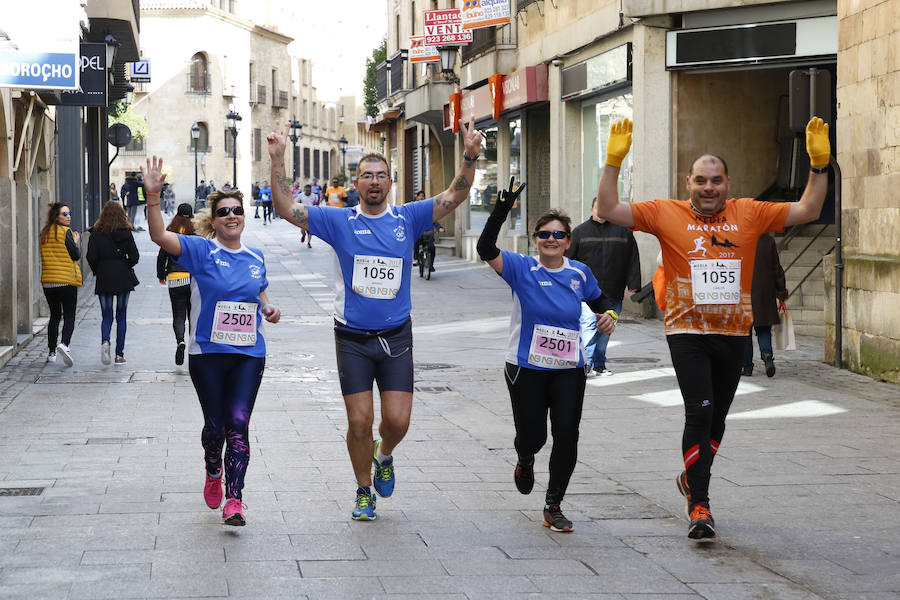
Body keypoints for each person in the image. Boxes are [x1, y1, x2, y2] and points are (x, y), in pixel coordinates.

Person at [595, 116, 831, 539]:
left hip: (734, 333)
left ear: (727, 182)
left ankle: (691, 476)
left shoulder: (751, 213)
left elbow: (809, 210)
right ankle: (699, 504)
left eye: (716, 180)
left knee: (717, 419)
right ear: (688, 183)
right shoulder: (666, 213)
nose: (708, 188)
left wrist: (817, 166)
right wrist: (614, 161)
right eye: (701, 180)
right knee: (698, 411)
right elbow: (609, 209)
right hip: (687, 333)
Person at [268, 116, 484, 521]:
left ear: (390, 183)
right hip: (352, 337)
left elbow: (454, 196)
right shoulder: (338, 220)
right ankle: (363, 488)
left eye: (380, 175)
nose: (373, 181)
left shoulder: (408, 218)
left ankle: (385, 456)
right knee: (360, 420)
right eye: (366, 175)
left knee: (397, 422)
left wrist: (470, 156)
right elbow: (285, 208)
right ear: (356, 184)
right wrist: (278, 158)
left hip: (396, 335)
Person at [144, 156, 281, 527]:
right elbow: (159, 236)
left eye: (237, 210)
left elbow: (260, 291)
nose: (232, 216)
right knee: (215, 426)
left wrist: (268, 309)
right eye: (224, 212)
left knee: (239, 422)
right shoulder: (201, 251)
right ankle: (212, 467)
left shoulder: (256, 257)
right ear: (214, 220)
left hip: (249, 353)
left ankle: (235, 500)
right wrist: (153, 195)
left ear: (243, 216)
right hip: (207, 352)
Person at [477, 186, 618, 533]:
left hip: (569, 368)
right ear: (535, 239)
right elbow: (485, 249)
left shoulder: (579, 274)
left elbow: (602, 300)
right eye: (544, 234)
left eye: (558, 235)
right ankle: (525, 459)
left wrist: (610, 314)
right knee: (533, 436)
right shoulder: (520, 268)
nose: (551, 239)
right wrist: (501, 210)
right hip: (526, 366)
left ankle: (553, 504)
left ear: (568, 241)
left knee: (567, 434)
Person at [566, 197, 641, 376]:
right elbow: (569, 261)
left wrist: (634, 283)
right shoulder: (579, 232)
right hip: (587, 293)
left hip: (614, 290)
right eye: (598, 208)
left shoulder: (624, 232)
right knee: (589, 326)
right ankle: (586, 364)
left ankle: (599, 365)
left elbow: (633, 258)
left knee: (606, 330)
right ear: (592, 209)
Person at [87, 201, 140, 365]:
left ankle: (105, 341)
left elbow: (91, 257)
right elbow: (135, 256)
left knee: (107, 315)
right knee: (122, 316)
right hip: (122, 275)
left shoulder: (96, 233)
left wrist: (99, 269)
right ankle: (119, 354)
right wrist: (125, 264)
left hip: (104, 276)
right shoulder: (125, 232)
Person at [39, 202, 82, 366]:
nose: (69, 216)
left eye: (69, 213)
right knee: (69, 314)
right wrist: (76, 241)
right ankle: (64, 344)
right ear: (56, 217)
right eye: (65, 214)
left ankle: (51, 352)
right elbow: (76, 255)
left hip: (48, 281)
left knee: (55, 315)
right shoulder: (66, 232)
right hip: (66, 281)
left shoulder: (44, 233)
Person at [743, 233, 789, 377]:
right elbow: (776, 268)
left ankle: (747, 366)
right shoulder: (768, 240)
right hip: (764, 292)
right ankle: (767, 355)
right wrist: (781, 292)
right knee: (763, 329)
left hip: (743, 290)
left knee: (744, 332)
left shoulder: (739, 237)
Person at [157, 203, 197, 366]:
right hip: (192, 278)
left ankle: (180, 341)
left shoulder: (171, 230)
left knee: (178, 315)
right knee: (193, 314)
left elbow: (162, 255)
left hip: (175, 278)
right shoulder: (196, 231)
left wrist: (161, 275)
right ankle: (193, 346)